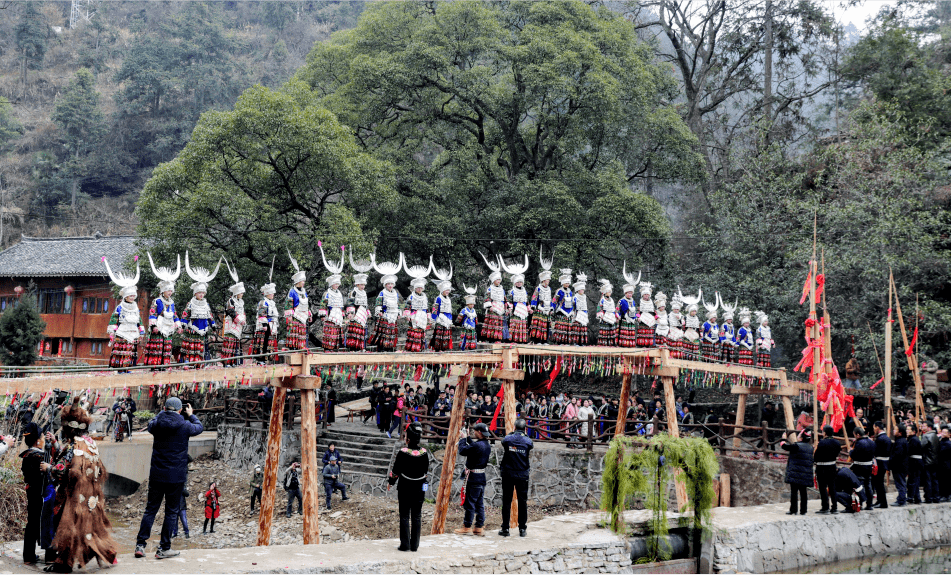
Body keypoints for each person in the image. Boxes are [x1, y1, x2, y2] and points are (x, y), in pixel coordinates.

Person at [45, 398, 119, 572]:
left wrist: (49, 468)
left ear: (68, 428)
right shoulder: (90, 443)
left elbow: (62, 470)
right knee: (91, 526)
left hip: (73, 495)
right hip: (91, 495)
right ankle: (106, 552)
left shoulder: (73, 446)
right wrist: (57, 445)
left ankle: (64, 563)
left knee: (67, 527)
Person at [135, 397, 204, 560]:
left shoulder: (157, 424)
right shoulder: (185, 425)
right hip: (176, 477)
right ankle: (164, 548)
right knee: (171, 512)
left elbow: (152, 422)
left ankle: (140, 545)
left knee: (150, 510)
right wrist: (192, 414)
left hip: (157, 475)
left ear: (165, 408)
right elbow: (199, 427)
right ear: (180, 410)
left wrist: (162, 413)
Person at [387, 422, 429, 552]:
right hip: (420, 488)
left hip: (405, 487)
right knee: (417, 515)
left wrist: (391, 482)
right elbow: (426, 471)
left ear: (408, 439)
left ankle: (405, 545)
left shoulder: (403, 453)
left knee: (404, 515)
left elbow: (396, 471)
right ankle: (414, 545)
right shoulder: (424, 453)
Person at [144, 255, 182, 366]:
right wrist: (153, 326)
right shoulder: (157, 301)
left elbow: (175, 315)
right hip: (159, 326)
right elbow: (152, 314)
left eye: (171, 291)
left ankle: (164, 366)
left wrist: (178, 326)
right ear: (163, 291)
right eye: (168, 290)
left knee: (167, 348)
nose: (170, 292)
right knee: (157, 347)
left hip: (168, 327)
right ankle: (154, 366)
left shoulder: (172, 302)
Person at [455, 423, 491, 536]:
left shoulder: (477, 446)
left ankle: (467, 526)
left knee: (470, 503)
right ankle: (479, 527)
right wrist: (467, 438)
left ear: (479, 432)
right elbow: (474, 446)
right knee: (479, 503)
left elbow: (463, 451)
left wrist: (462, 439)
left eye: (474, 431)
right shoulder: (486, 444)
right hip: (481, 477)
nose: (473, 433)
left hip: (474, 477)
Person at [499, 418, 533, 537]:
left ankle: (505, 528)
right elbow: (530, 445)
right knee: (522, 502)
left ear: (514, 427)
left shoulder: (508, 439)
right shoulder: (527, 441)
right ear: (525, 429)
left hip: (508, 474)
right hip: (522, 475)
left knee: (507, 501)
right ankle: (522, 529)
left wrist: (511, 434)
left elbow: (503, 441)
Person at [181, 266, 218, 363]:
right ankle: (189, 363)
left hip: (204, 329)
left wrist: (213, 327)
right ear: (195, 293)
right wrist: (182, 325)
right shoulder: (191, 303)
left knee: (203, 348)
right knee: (191, 348)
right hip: (193, 329)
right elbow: (185, 315)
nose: (201, 295)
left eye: (203, 293)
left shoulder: (206, 304)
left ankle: (202, 364)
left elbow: (210, 316)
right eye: (199, 293)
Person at [20, 423, 45, 565]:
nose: (43, 440)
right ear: (37, 441)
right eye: (42, 437)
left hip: (31, 493)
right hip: (40, 494)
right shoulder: (39, 457)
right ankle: (50, 556)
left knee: (32, 523)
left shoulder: (27, 455)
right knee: (42, 522)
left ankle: (28, 556)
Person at [106, 285, 145, 369]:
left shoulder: (136, 308)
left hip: (133, 332)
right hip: (122, 333)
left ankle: (128, 368)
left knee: (130, 352)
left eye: (133, 296)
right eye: (130, 296)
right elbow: (114, 320)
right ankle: (120, 368)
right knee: (122, 351)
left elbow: (139, 320)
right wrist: (112, 332)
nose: (132, 297)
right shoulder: (119, 307)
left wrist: (141, 331)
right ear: (126, 296)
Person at [781, 429, 813, 515]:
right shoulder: (810, 447)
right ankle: (803, 511)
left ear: (802, 438)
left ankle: (793, 510)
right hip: (805, 474)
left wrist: (783, 438)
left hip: (795, 473)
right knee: (803, 492)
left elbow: (784, 446)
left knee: (794, 492)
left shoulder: (797, 446)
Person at [286, 253, 313, 351]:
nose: (304, 283)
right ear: (298, 282)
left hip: (303, 315)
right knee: (295, 334)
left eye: (304, 281)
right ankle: (294, 349)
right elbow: (288, 305)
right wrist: (289, 316)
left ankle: (302, 348)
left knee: (303, 334)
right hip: (296, 316)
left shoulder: (304, 291)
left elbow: (306, 303)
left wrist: (309, 314)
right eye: (302, 281)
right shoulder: (292, 291)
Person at [221, 269, 247, 365]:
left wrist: (244, 319)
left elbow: (242, 312)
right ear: (236, 293)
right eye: (241, 293)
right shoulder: (230, 301)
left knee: (236, 343)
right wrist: (240, 320)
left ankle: (235, 362)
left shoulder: (241, 302)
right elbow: (231, 311)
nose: (242, 294)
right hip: (231, 325)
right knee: (230, 343)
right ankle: (227, 362)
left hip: (238, 325)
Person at [371, 273, 402, 351]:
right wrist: (380, 311)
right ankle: (382, 348)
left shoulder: (395, 293)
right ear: (385, 285)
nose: (390, 285)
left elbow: (397, 304)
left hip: (393, 315)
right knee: (383, 333)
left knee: (391, 333)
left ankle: (390, 347)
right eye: (388, 284)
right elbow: (378, 303)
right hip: (385, 315)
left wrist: (398, 313)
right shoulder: (382, 293)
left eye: (392, 284)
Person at [814, 425, 839, 514]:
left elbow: (816, 456)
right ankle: (835, 507)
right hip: (832, 467)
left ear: (825, 433)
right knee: (832, 487)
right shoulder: (837, 442)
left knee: (823, 487)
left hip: (822, 468)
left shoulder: (822, 443)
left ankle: (825, 507)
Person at [253, 279, 280, 363]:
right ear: (268, 293)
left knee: (269, 342)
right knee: (263, 342)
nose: (273, 295)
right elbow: (261, 314)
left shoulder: (272, 302)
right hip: (265, 325)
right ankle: (260, 359)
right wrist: (264, 324)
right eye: (272, 293)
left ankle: (267, 359)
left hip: (272, 325)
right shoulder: (263, 302)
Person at [850, 427, 875, 511]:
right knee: (868, 485)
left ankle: (859, 503)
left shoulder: (859, 443)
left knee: (859, 485)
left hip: (860, 466)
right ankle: (870, 504)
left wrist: (851, 451)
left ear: (857, 435)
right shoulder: (871, 442)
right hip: (869, 466)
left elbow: (854, 455)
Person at [318, 273, 345, 352]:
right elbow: (323, 304)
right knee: (330, 333)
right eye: (336, 284)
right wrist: (323, 315)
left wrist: (342, 313)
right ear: (331, 284)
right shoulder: (327, 293)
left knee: (337, 333)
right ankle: (328, 348)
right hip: (330, 316)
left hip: (338, 316)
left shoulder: (339, 293)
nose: (337, 285)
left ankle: (337, 348)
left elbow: (341, 305)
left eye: (338, 284)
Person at [345, 272, 371, 351]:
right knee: (355, 331)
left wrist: (368, 312)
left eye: (364, 285)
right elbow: (350, 303)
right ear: (357, 285)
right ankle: (354, 348)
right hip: (355, 314)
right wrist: (350, 313)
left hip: (362, 314)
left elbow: (365, 304)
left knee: (362, 331)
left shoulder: (364, 293)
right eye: (361, 285)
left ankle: (361, 347)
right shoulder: (353, 292)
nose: (363, 286)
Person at [529, 267, 553, 343]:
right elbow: (534, 298)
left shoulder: (549, 289)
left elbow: (551, 299)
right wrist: (533, 307)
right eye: (547, 280)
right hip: (539, 309)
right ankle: (537, 340)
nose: (548, 281)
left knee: (546, 326)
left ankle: (544, 341)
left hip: (547, 309)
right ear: (543, 280)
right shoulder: (538, 288)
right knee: (538, 326)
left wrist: (551, 308)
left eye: (549, 280)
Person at [871, 421, 891, 508]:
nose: (874, 430)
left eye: (874, 427)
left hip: (880, 462)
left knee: (879, 483)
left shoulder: (880, 439)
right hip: (884, 462)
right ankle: (879, 500)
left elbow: (875, 451)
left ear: (877, 427)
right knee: (878, 483)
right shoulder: (886, 437)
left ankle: (883, 503)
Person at [430, 280, 455, 351]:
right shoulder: (438, 298)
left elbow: (450, 310)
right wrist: (433, 319)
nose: (447, 292)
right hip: (440, 318)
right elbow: (435, 309)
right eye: (446, 290)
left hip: (447, 319)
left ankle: (444, 349)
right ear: (442, 290)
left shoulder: (449, 299)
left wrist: (450, 319)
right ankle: (437, 350)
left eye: (448, 290)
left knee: (446, 336)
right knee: (439, 335)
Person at [508, 274, 530, 344]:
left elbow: (527, 301)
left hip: (523, 311)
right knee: (515, 325)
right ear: (515, 283)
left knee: (522, 325)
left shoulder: (524, 291)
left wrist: (529, 309)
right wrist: (509, 308)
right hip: (515, 310)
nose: (519, 283)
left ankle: (522, 340)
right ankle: (514, 340)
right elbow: (509, 301)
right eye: (517, 282)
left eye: (520, 282)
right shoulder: (512, 291)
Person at [921, 421, 940, 503]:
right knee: (935, 480)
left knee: (928, 481)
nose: (922, 427)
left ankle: (928, 498)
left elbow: (921, 447)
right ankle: (936, 497)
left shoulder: (926, 436)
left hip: (927, 462)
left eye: (924, 426)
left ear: (929, 427)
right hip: (935, 461)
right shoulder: (936, 436)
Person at [891, 424, 909, 506]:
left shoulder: (900, 442)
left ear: (900, 432)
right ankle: (900, 499)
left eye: (896, 429)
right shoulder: (902, 441)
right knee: (901, 482)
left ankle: (902, 500)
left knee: (900, 483)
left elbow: (897, 455)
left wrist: (890, 461)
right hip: (901, 465)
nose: (894, 431)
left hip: (899, 466)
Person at [907, 422, 923, 505]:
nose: (907, 431)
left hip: (915, 462)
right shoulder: (912, 439)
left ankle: (911, 497)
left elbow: (909, 451)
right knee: (914, 480)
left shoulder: (913, 440)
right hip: (915, 462)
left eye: (908, 430)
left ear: (913, 431)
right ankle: (917, 498)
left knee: (913, 480)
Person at [938, 425, 951, 502]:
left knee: (946, 480)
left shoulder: (948, 444)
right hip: (942, 464)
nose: (942, 434)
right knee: (942, 480)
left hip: (946, 465)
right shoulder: (941, 441)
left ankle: (947, 495)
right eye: (942, 432)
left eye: (944, 433)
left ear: (949, 434)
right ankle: (943, 495)